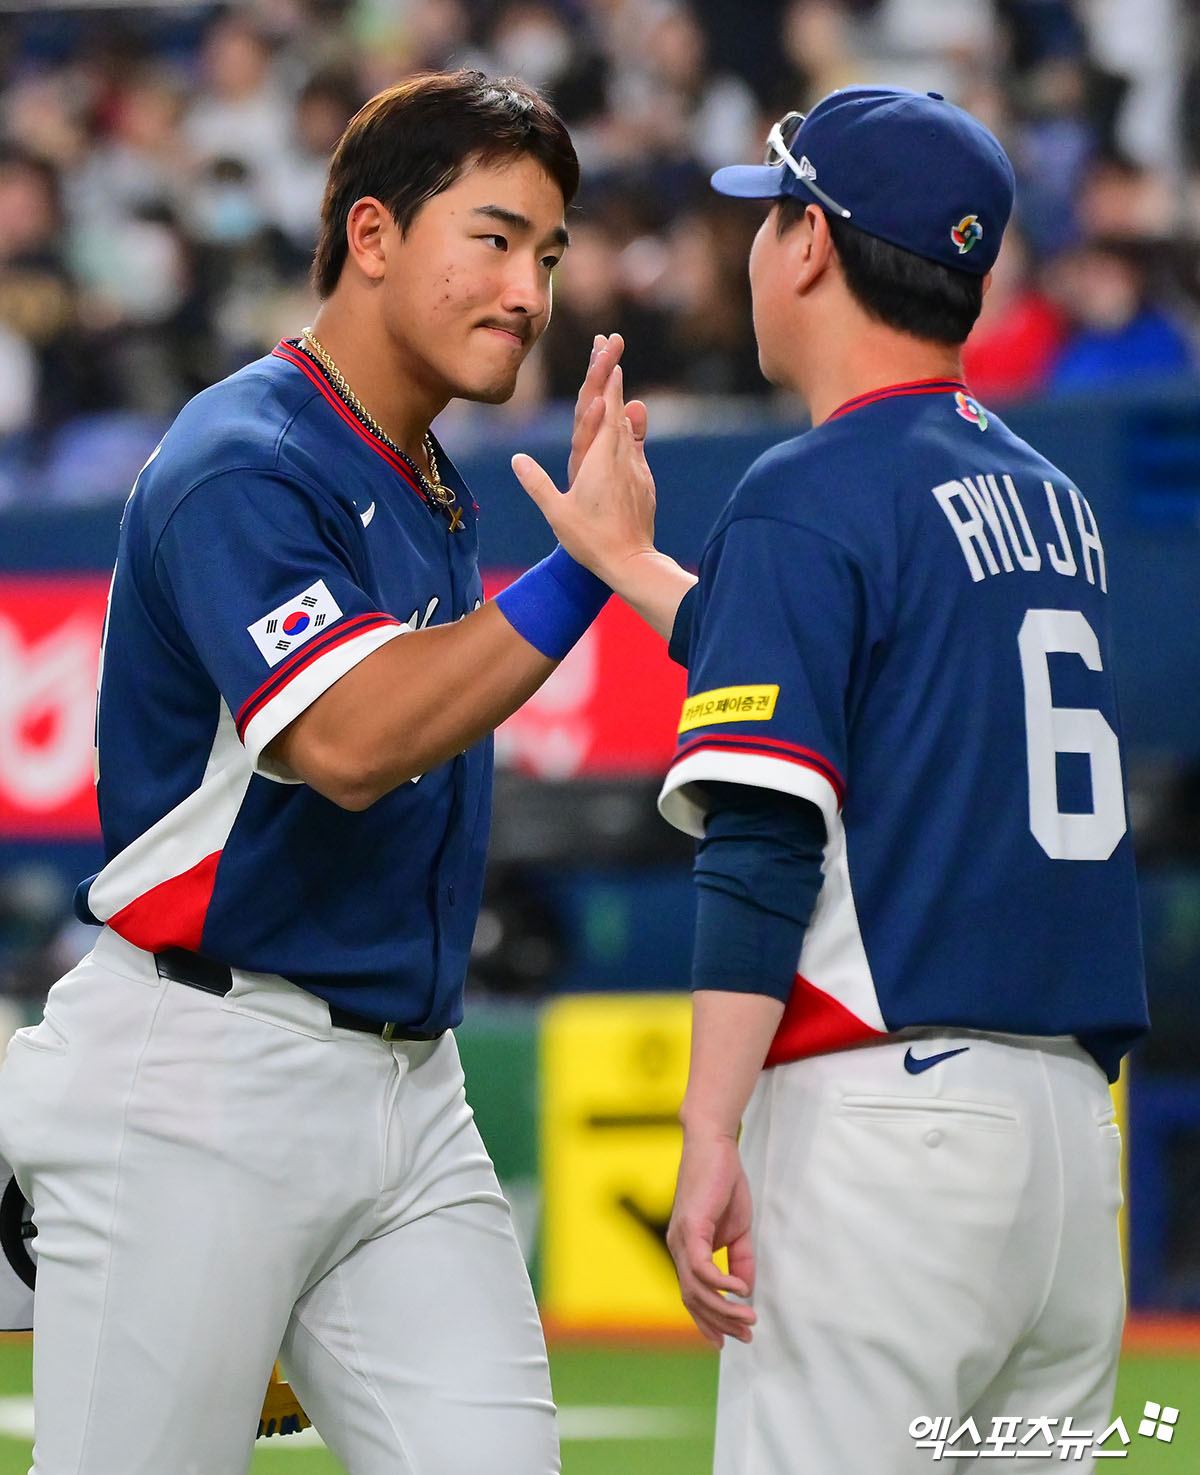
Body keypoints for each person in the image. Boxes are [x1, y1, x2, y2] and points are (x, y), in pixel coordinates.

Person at [0, 69, 657, 1475]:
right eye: (493, 239)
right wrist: (580, 573)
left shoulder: (418, 471)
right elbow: (347, 742)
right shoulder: (247, 455)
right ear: (371, 235)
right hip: (204, 1080)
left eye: (547, 255)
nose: (529, 291)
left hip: (409, 1089)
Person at [518, 86, 1149, 1475]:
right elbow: (855, 685)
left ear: (810, 244)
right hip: (1064, 1142)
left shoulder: (809, 489)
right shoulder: (1058, 503)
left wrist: (706, 1130)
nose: (754, 244)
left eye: (771, 215)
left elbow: (762, 841)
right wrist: (634, 569)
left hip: (889, 1122)